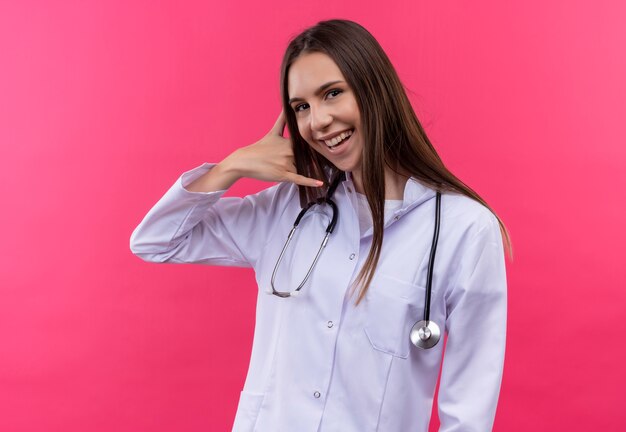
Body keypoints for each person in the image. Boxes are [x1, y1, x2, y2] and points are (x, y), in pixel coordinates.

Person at [130, 19, 511, 432]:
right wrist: (232, 166)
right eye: (301, 107)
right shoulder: (288, 207)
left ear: (374, 88)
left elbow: (469, 412)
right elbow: (155, 241)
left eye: (332, 93)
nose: (319, 121)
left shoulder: (464, 230)